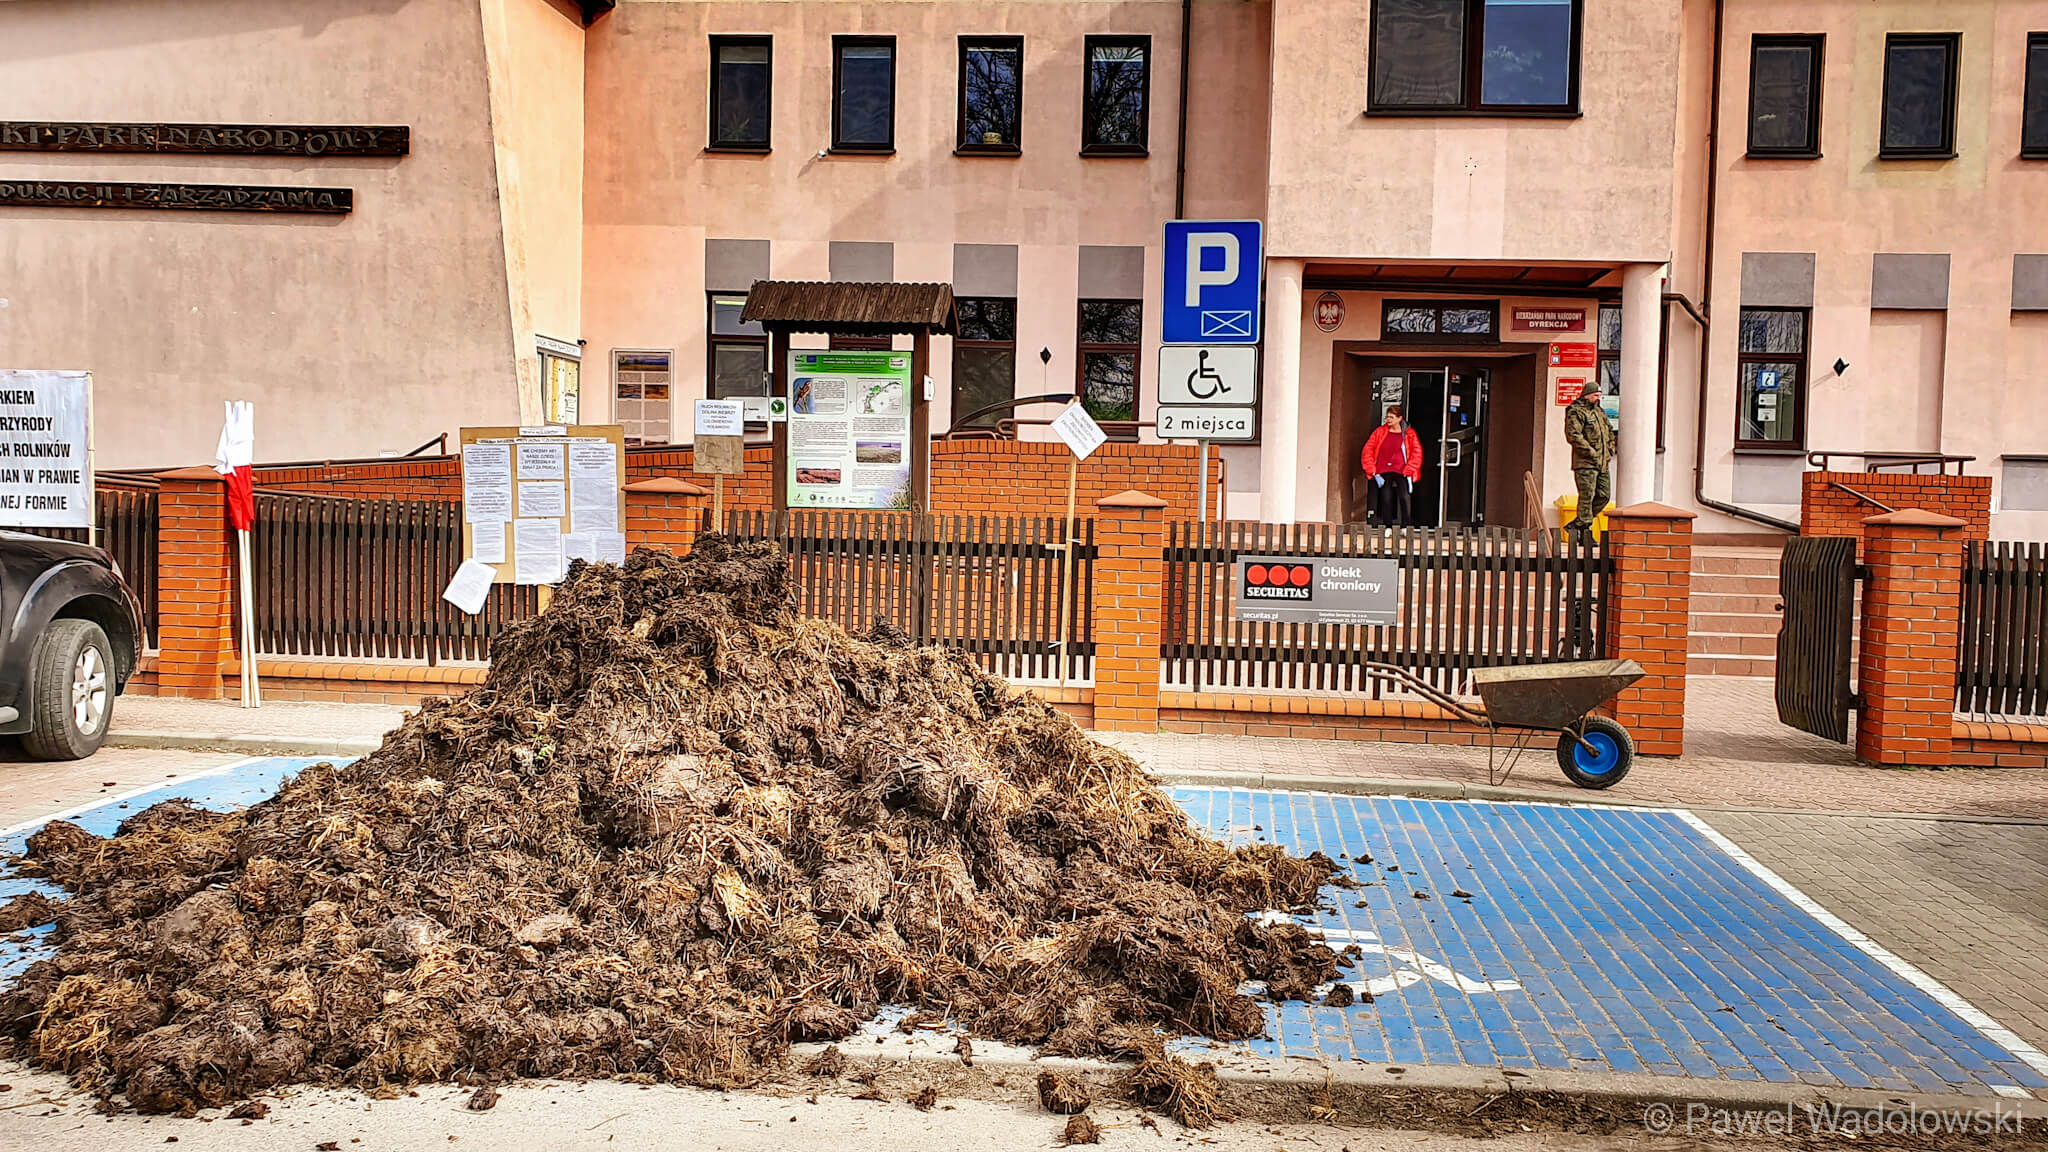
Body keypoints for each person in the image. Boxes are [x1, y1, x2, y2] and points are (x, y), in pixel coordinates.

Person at [1563, 380, 1616, 536]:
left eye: (1599, 395)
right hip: (1586, 463)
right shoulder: (1576, 411)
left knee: (1604, 496)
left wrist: (1610, 449)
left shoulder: (1599, 412)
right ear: (1586, 396)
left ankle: (1579, 523)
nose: (1598, 398)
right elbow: (1574, 435)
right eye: (1595, 395)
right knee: (1587, 496)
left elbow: (1609, 431)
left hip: (1603, 462)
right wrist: (1592, 453)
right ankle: (1585, 531)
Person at [1361, 405, 1424, 527]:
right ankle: (1388, 526)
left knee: (1404, 498)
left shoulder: (1409, 434)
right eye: (1387, 417)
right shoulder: (1380, 432)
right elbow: (1368, 449)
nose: (1388, 420)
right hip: (1383, 470)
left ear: (1399, 418)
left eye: (1392, 417)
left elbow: (1416, 452)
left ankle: (1406, 526)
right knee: (1386, 498)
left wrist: (1410, 468)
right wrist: (1371, 468)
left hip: (1402, 470)